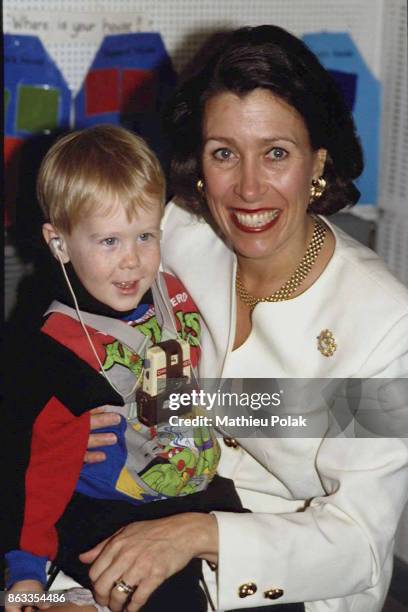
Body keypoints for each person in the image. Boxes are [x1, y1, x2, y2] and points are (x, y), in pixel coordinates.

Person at [81, 25, 408, 612]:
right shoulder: (177, 239)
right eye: (225, 153)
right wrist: (78, 417)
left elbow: (359, 541)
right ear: (199, 164)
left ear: (318, 163)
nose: (249, 188)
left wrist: (201, 534)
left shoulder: (384, 322)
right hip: (153, 501)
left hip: (287, 576)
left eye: (276, 153)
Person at [4, 124, 251, 612]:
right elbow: (36, 468)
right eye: (109, 242)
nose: (133, 261)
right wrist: (25, 569)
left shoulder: (172, 284)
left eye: (144, 236)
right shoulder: (57, 349)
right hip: (109, 514)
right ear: (59, 243)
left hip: (200, 492)